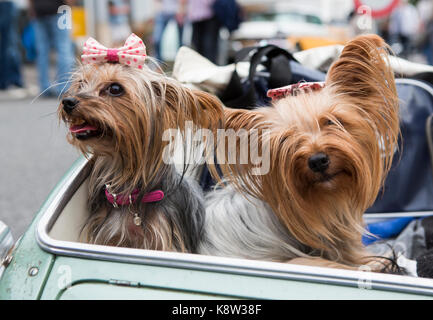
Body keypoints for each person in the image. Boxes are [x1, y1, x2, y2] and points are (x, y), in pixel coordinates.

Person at [29, 0, 75, 97]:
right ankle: (63, 87)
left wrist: (32, 8)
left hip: (39, 11)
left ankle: (44, 87)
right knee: (64, 49)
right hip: (59, 9)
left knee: (42, 51)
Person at [186, 0, 220, 64]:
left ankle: (210, 68)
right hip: (195, 16)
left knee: (209, 46)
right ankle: (201, 66)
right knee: (197, 45)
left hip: (210, 16)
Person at [0, 0, 24, 90]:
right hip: (6, 4)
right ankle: (13, 79)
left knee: (8, 44)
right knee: (10, 44)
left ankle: (6, 81)